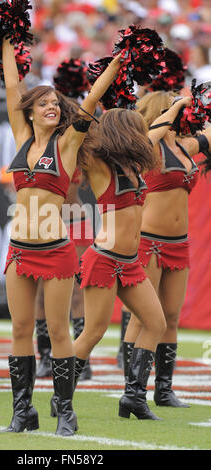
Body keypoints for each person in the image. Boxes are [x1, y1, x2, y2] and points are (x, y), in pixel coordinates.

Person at [1, 36, 122, 436]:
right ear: (30, 113)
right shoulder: (21, 138)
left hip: (55, 251)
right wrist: (6, 37)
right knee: (20, 330)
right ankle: (22, 412)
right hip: (18, 251)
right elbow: (11, 81)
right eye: (44, 104)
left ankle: (65, 412)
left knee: (57, 332)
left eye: (55, 103)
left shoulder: (68, 143)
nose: (53, 107)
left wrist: (116, 64)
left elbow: (89, 101)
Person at [72, 97, 193, 421]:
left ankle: (134, 398)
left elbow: (159, 128)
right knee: (93, 333)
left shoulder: (134, 166)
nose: (146, 134)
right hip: (105, 257)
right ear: (124, 133)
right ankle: (61, 396)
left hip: (130, 262)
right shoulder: (100, 166)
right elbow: (83, 124)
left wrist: (179, 105)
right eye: (138, 130)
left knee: (157, 323)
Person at [122, 90, 211, 408]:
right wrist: (177, 105)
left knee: (171, 316)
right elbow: (151, 134)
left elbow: (209, 132)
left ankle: (164, 389)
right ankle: (132, 391)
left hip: (179, 243)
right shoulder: (149, 147)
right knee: (142, 317)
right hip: (148, 241)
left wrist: (202, 102)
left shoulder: (184, 146)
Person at [34, 166, 94, 381]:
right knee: (41, 294)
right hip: (45, 223)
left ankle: (81, 359)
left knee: (78, 291)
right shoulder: (40, 148)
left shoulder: (77, 147)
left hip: (75, 220)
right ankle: (45, 357)